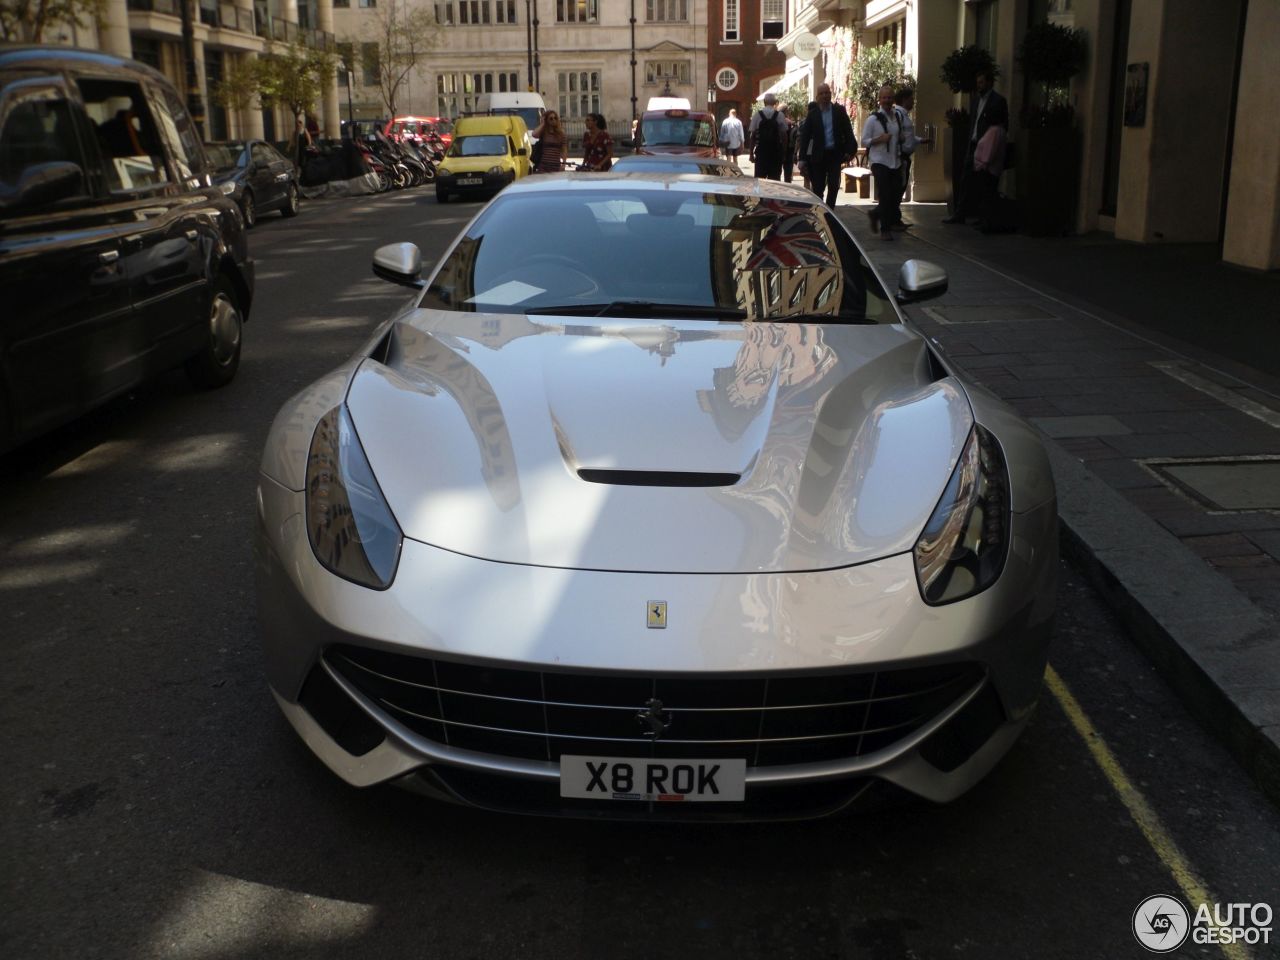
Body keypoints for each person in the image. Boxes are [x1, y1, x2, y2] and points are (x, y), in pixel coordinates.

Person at [943, 69, 1008, 224]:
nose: (979, 86)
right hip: (973, 144)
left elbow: (1003, 124)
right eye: (978, 83)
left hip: (987, 145)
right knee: (966, 179)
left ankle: (983, 216)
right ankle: (960, 214)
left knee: (984, 183)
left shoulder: (998, 101)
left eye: (982, 82)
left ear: (990, 83)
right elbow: (974, 121)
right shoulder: (976, 100)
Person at [797, 83, 856, 208]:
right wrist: (802, 158)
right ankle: (820, 210)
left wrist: (850, 150)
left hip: (834, 155)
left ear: (830, 94)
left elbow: (848, 131)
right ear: (817, 97)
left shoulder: (839, 111)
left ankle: (830, 211)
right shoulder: (813, 114)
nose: (825, 96)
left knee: (834, 185)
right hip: (818, 156)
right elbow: (805, 137)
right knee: (818, 187)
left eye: (827, 93)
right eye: (822, 93)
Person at [861, 84, 902, 241]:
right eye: (884, 97)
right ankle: (885, 229)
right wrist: (879, 139)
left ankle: (875, 213)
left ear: (893, 99)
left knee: (894, 196)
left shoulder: (896, 117)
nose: (887, 100)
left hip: (895, 161)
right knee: (885, 194)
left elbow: (898, 137)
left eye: (889, 97)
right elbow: (865, 141)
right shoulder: (872, 119)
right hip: (879, 161)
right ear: (879, 100)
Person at [888, 87, 931, 230]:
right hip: (901, 157)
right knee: (898, 189)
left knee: (900, 188)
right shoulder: (899, 115)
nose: (913, 101)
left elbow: (907, 136)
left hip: (905, 157)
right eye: (911, 99)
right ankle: (892, 220)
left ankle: (894, 218)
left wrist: (919, 140)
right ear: (905, 99)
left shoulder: (904, 115)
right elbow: (898, 136)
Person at [747, 93, 788, 181]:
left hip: (761, 153)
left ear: (764, 102)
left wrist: (751, 153)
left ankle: (759, 195)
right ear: (775, 103)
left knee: (759, 181)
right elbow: (784, 136)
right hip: (775, 153)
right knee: (775, 181)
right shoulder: (780, 115)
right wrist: (784, 153)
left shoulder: (757, 115)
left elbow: (752, 136)